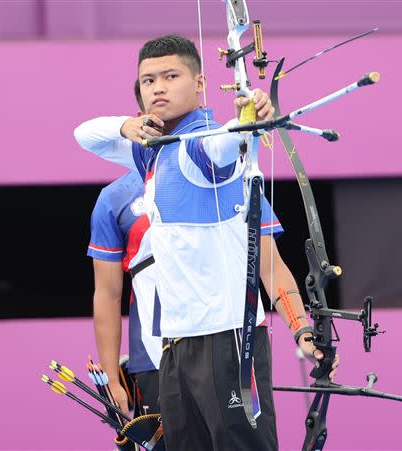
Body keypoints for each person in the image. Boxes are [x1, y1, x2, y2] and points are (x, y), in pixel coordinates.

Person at [74, 34, 339, 450]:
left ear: (200, 83)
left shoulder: (203, 147)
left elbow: (226, 141)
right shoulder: (152, 152)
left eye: (170, 76)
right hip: (175, 346)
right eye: (148, 80)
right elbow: (84, 134)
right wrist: (128, 125)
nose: (158, 87)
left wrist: (249, 118)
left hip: (228, 339)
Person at [88, 82, 161, 419]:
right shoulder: (114, 198)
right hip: (152, 351)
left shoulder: (216, 176)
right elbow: (107, 292)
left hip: (218, 342)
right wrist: (112, 377)